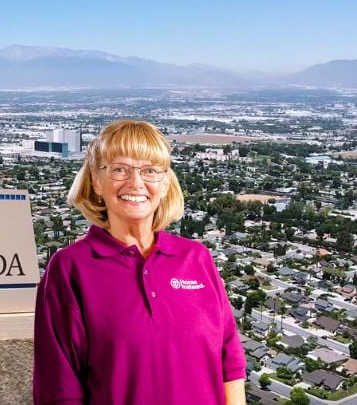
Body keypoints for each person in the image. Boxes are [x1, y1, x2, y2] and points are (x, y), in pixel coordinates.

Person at [33, 120, 247, 405]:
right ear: (96, 181)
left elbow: (230, 366)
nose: (136, 183)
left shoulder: (196, 258)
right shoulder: (71, 268)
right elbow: (59, 392)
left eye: (150, 170)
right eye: (119, 169)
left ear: (166, 181)